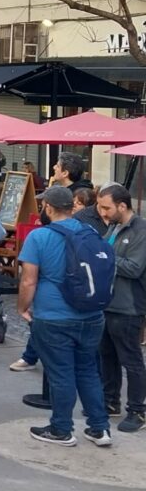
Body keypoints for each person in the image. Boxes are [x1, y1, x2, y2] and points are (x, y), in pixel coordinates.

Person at [16, 185, 113, 447]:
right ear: (71, 207)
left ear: (48, 207)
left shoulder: (39, 237)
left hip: (54, 316)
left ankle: (61, 428)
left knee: (61, 373)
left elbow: (28, 281)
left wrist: (22, 308)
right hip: (92, 315)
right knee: (88, 371)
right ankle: (99, 428)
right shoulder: (90, 231)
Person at [96, 183, 146, 432]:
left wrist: (105, 259)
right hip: (108, 302)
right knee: (107, 355)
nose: (103, 213)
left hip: (128, 306)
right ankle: (110, 401)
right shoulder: (113, 227)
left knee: (131, 359)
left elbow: (134, 267)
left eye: (106, 207)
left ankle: (137, 410)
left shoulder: (141, 230)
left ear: (122, 206)